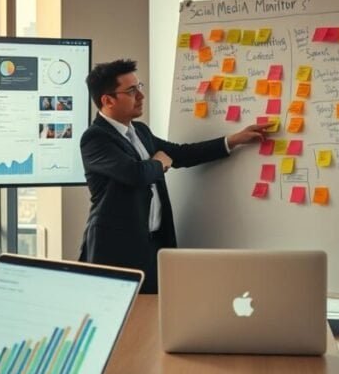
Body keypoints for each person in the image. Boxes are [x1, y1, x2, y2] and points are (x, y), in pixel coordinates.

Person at [79, 59, 266, 293]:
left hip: (153, 243)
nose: (141, 96)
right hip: (116, 249)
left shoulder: (140, 131)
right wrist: (159, 162)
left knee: (155, 308)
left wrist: (233, 140)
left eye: (139, 87)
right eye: (131, 91)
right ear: (108, 100)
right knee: (123, 313)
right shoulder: (95, 138)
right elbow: (134, 174)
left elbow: (181, 154)